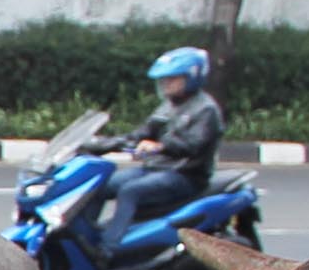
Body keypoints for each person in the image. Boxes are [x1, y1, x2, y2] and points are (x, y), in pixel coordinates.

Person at [86, 46, 225, 246]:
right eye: (164, 80)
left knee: (130, 191)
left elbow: (194, 145)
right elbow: (141, 134)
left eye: (173, 79)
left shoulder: (206, 109)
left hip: (185, 175)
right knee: (100, 184)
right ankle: (87, 239)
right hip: (156, 168)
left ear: (192, 77)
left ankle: (108, 247)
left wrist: (160, 146)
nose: (166, 84)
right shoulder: (168, 106)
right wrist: (102, 144)